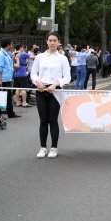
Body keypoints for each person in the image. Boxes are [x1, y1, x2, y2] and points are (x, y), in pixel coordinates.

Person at [30, 31, 71, 159]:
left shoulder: (62, 58)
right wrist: (38, 81)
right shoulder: (40, 57)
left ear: (58, 42)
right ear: (46, 41)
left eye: (55, 40)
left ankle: (54, 148)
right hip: (41, 90)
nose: (52, 42)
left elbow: (67, 77)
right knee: (43, 120)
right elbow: (33, 73)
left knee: (53, 120)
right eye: (50, 40)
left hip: (55, 91)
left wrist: (55, 84)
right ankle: (43, 148)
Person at [0, 38, 20, 118]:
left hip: (7, 78)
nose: (12, 46)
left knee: (8, 96)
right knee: (0, 96)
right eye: (11, 44)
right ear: (8, 45)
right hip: (2, 79)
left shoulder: (7, 54)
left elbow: (9, 65)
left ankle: (10, 112)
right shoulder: (0, 55)